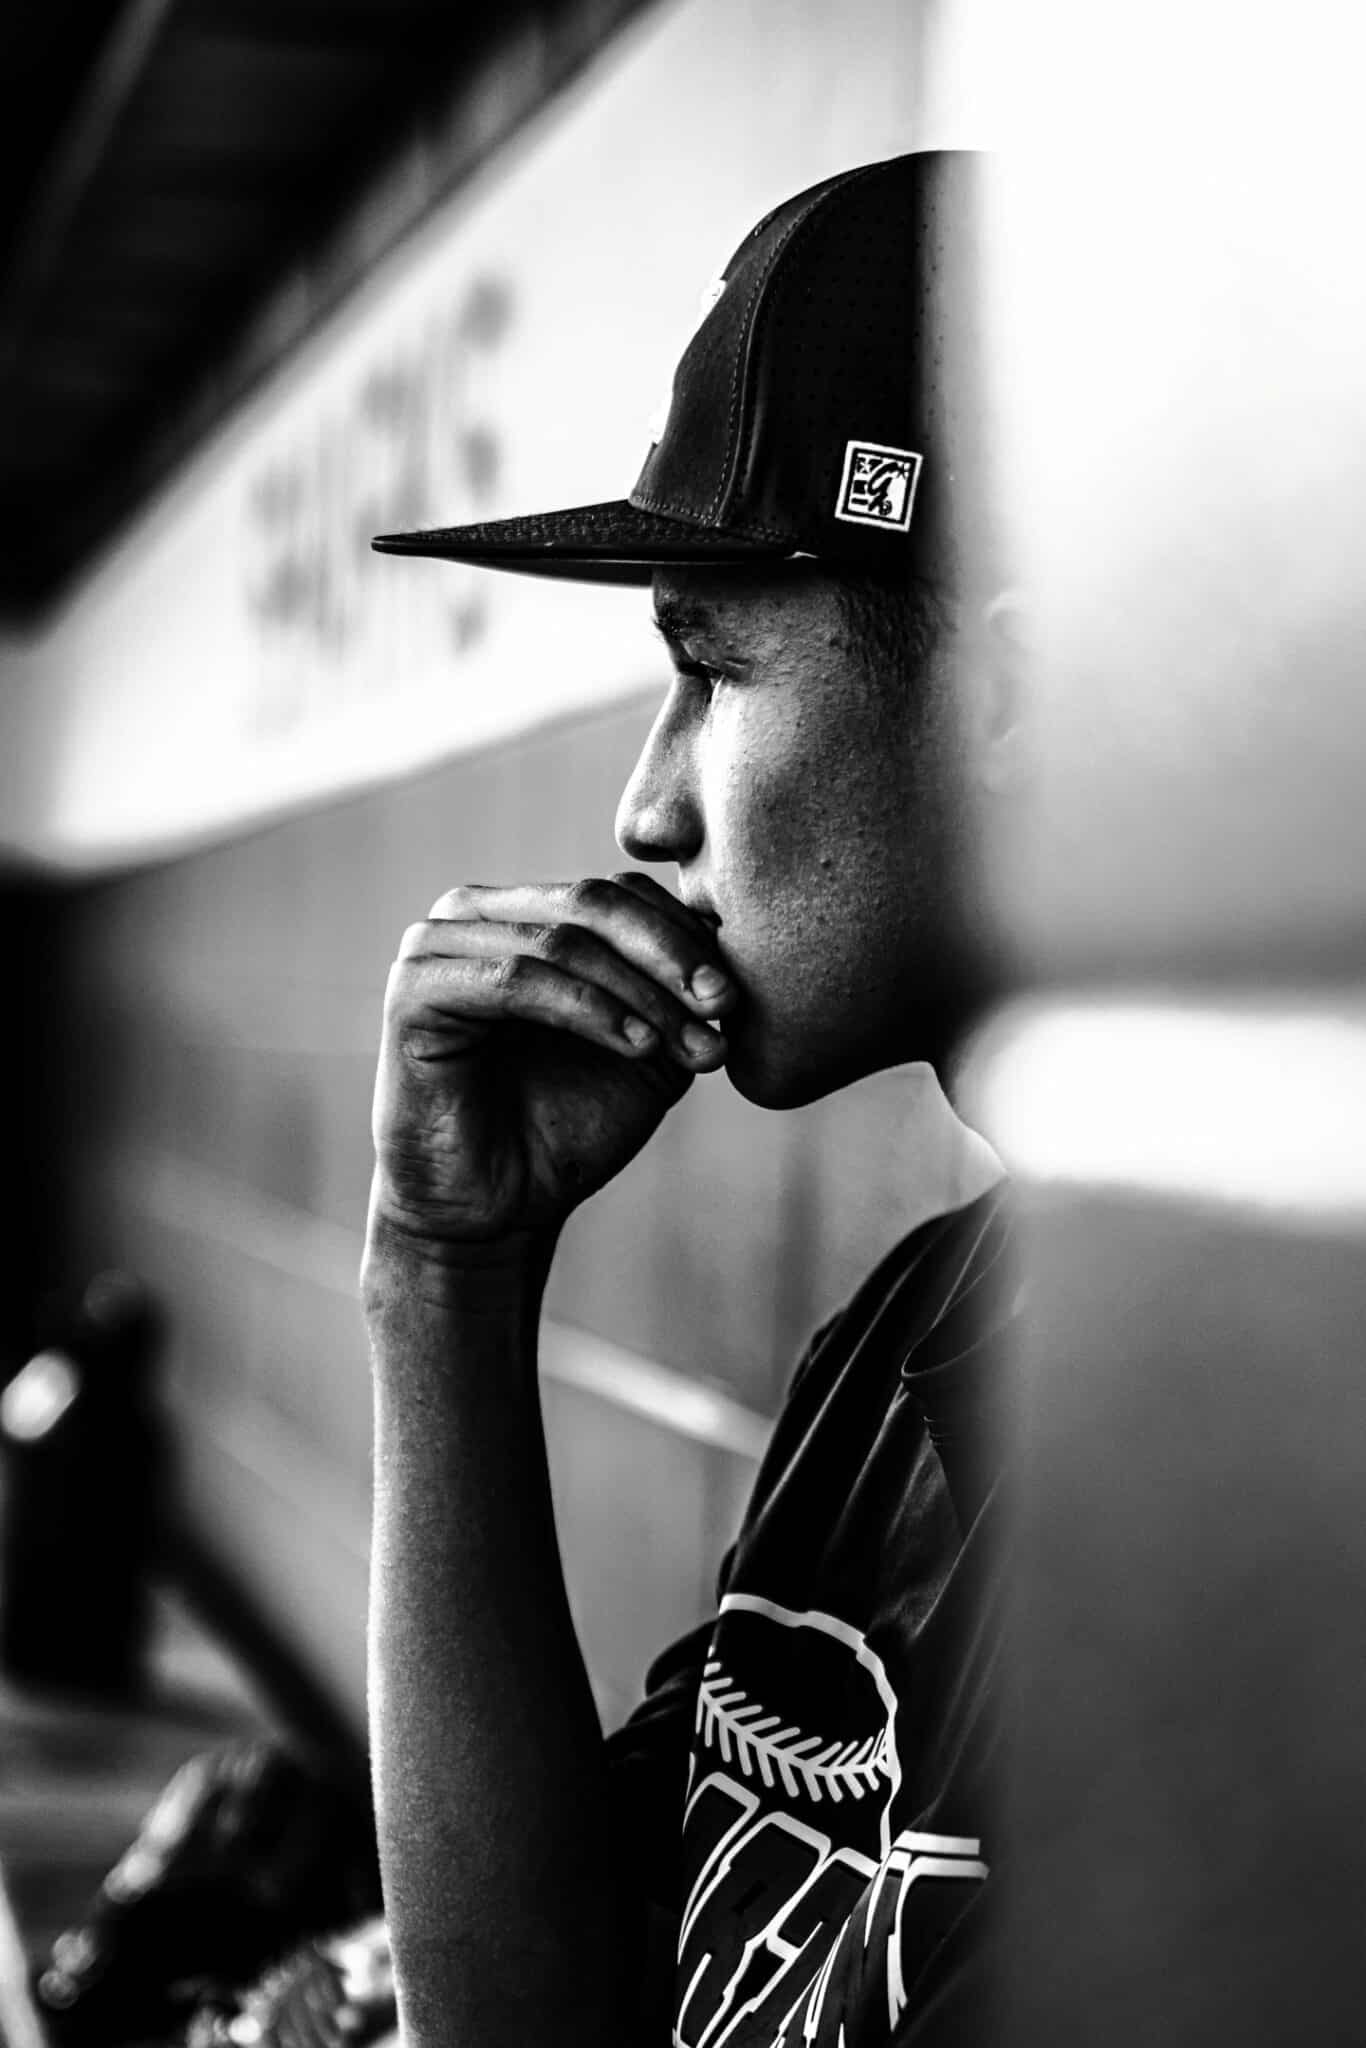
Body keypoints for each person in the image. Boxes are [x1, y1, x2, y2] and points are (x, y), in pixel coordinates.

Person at [362, 149, 1022, 2048]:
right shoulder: (909, 1332)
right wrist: (441, 1274)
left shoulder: (1279, 1469)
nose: (644, 810)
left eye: (707, 670)